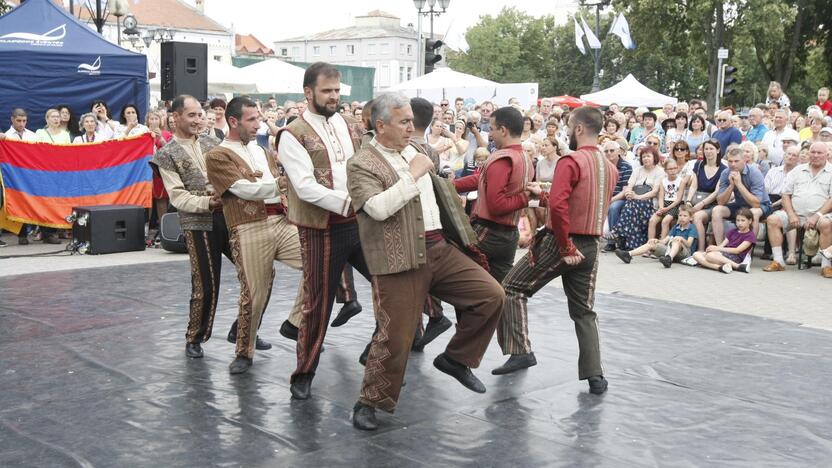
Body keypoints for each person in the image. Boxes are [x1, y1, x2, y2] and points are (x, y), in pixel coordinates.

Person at [346, 92, 504, 430]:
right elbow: (375, 208)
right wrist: (413, 175)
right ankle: (369, 402)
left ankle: (456, 359)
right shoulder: (361, 162)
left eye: (411, 121)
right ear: (380, 125)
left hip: (438, 247)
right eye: (403, 122)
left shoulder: (417, 150)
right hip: (397, 255)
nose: (411, 127)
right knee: (397, 336)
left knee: (491, 295)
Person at [493, 106, 617, 394]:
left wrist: (564, 245)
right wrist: (544, 196)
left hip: (563, 241)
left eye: (569, 127)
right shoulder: (609, 167)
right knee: (584, 311)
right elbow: (582, 202)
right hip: (591, 244)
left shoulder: (571, 161)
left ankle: (521, 350)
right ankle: (595, 375)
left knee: (511, 288)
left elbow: (562, 207)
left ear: (579, 129)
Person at [277, 62, 371, 400]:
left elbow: (362, 167)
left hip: (359, 223)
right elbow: (303, 187)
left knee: (393, 282)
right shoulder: (292, 134)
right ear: (308, 92)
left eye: (337, 91)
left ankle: (380, 357)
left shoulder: (348, 125)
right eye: (327, 91)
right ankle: (303, 372)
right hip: (322, 229)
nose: (334, 97)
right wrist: (351, 203)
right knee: (318, 304)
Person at [204, 97, 304, 374]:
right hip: (248, 228)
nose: (258, 125)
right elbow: (243, 190)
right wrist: (282, 182)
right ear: (233, 121)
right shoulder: (217, 155)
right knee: (254, 296)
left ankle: (294, 322)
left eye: (258, 119)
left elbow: (267, 186)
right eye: (252, 120)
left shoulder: (262, 150)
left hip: (281, 221)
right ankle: (244, 353)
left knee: (321, 259)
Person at [151, 95, 248, 361]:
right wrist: (208, 201)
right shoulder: (165, 155)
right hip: (198, 223)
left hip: (229, 217)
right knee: (206, 284)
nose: (198, 120)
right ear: (176, 118)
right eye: (191, 115)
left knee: (255, 275)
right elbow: (177, 197)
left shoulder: (212, 142)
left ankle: (244, 328)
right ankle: (195, 337)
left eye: (200, 115)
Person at [453, 106, 534, 283]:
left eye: (492, 129)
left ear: (503, 130)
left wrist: (526, 198)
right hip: (509, 234)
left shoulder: (503, 158)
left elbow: (497, 205)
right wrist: (449, 185)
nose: (490, 134)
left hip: (489, 232)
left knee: (463, 284)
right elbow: (480, 179)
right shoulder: (525, 158)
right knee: (500, 290)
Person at [762, 142, 832, 277]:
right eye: (813, 152)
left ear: (826, 155)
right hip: (795, 214)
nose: (815, 155)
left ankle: (826, 266)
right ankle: (778, 261)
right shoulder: (797, 170)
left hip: (821, 215)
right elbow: (785, 195)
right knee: (772, 220)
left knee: (826, 223)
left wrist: (816, 216)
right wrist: (791, 214)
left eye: (819, 153)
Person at [712, 147, 771, 245]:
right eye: (730, 161)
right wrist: (731, 185)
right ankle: (720, 248)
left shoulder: (755, 173)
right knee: (717, 210)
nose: (733, 164)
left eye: (736, 161)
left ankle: (748, 251)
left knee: (753, 212)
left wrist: (739, 184)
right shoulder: (725, 173)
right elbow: (721, 202)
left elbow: (756, 203)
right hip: (740, 205)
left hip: (762, 205)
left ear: (744, 161)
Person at [610, 146, 665, 250]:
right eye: (643, 157)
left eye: (648, 156)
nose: (645, 159)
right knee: (632, 205)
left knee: (632, 205)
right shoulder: (637, 170)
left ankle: (617, 232)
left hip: (650, 202)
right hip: (634, 200)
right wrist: (629, 193)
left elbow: (654, 192)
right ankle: (631, 243)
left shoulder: (660, 171)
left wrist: (638, 197)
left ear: (654, 157)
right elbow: (629, 185)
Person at [615, 204, 698, 268]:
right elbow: (665, 241)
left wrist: (682, 239)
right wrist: (657, 241)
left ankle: (669, 259)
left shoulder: (692, 228)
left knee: (677, 241)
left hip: (685, 253)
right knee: (652, 243)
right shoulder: (676, 227)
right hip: (670, 251)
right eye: (680, 215)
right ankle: (628, 254)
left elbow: (689, 244)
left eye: (685, 216)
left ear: (690, 218)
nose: (682, 218)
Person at [687, 139, 727, 252]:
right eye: (706, 149)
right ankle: (689, 247)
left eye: (711, 149)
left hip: (711, 204)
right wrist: (689, 201)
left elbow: (717, 192)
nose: (708, 151)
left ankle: (700, 250)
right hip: (697, 199)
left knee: (697, 216)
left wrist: (702, 204)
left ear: (718, 150)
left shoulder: (723, 169)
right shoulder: (698, 164)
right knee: (685, 213)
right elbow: (694, 185)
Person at [692, 207, 755, 273]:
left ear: (750, 221)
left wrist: (717, 249)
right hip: (724, 254)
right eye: (738, 220)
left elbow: (737, 250)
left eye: (743, 220)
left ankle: (737, 266)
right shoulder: (733, 231)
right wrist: (713, 249)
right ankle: (720, 267)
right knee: (696, 254)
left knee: (710, 256)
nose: (739, 223)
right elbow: (722, 245)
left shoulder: (750, 235)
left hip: (736, 257)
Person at [603, 139, 633, 251]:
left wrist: (610, 200)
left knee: (614, 207)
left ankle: (612, 242)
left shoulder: (626, 167)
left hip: (621, 198)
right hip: (606, 198)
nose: (609, 153)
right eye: (606, 151)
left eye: (612, 150)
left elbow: (625, 191)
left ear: (619, 151)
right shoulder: (603, 167)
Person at [648, 158, 684, 240]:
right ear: (665, 170)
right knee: (652, 220)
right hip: (664, 204)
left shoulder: (681, 181)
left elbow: (679, 199)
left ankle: (662, 243)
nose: (673, 171)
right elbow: (661, 196)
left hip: (675, 205)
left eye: (675, 168)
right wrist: (661, 207)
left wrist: (666, 208)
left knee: (665, 221)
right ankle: (649, 244)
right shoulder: (663, 181)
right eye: (670, 169)